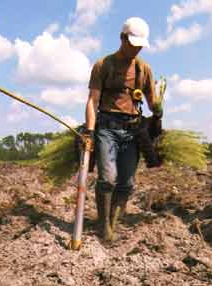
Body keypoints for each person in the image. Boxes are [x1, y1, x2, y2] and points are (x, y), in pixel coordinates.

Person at [85, 17, 161, 242]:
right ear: (122, 38)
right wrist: (89, 131)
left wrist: (158, 110)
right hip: (107, 127)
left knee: (126, 183)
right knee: (107, 178)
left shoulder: (144, 69)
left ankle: (113, 217)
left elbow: (151, 101)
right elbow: (92, 100)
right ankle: (103, 224)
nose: (136, 49)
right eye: (133, 43)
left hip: (132, 130)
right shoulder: (103, 65)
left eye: (140, 45)